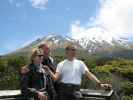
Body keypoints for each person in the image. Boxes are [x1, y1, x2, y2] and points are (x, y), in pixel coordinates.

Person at [45, 44, 111, 100]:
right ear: (67, 51)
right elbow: (56, 78)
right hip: (63, 91)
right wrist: (49, 70)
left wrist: (99, 84)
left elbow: (89, 75)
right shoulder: (61, 64)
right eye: (72, 50)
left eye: (75, 50)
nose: (74, 51)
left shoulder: (80, 63)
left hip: (75, 91)